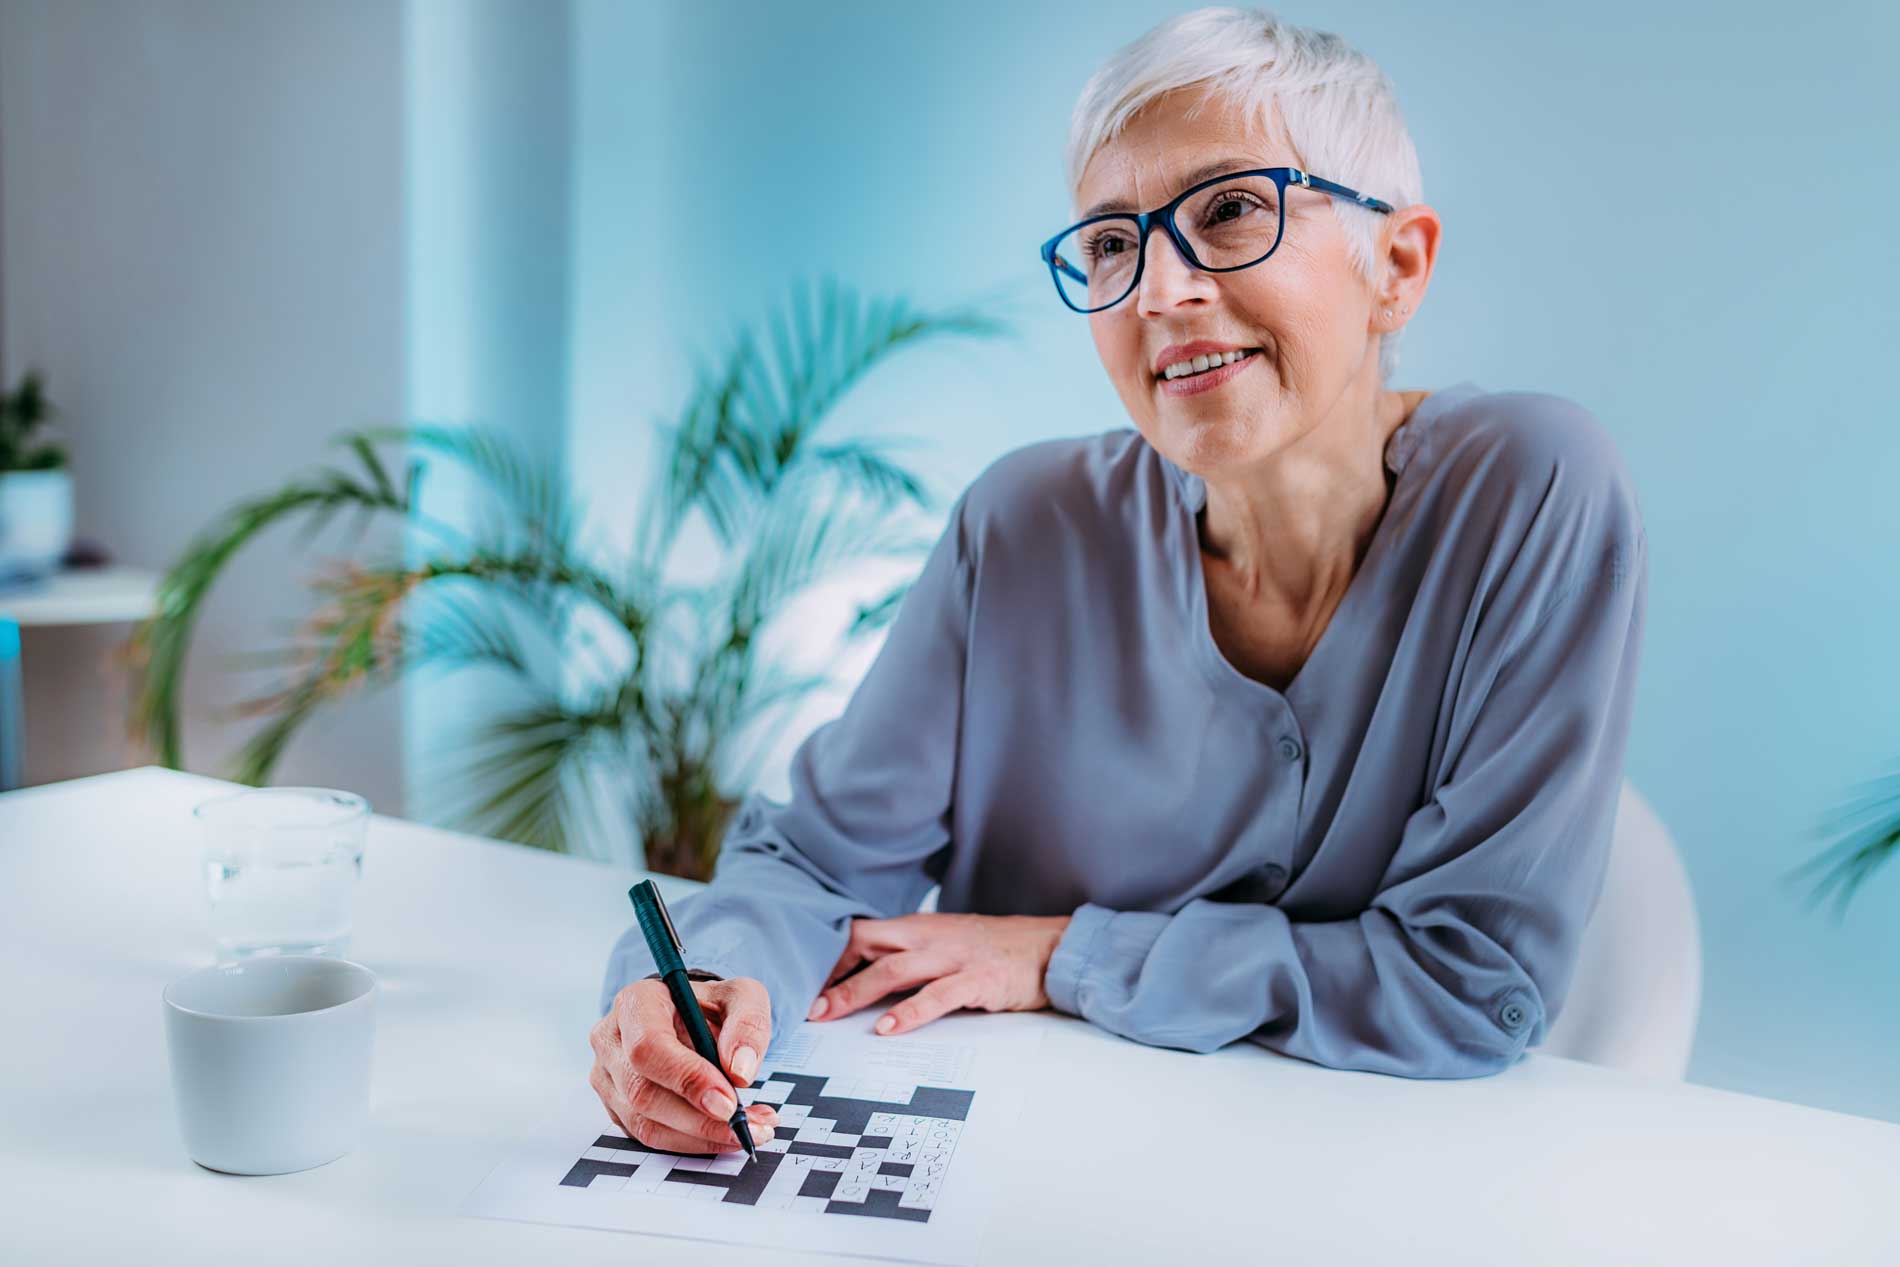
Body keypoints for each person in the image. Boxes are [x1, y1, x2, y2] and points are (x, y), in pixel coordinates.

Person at [589, 5, 1648, 1156]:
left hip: (1372, 1185)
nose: (1159, 288)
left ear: (1396, 265)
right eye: (1109, 243)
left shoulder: (1533, 487)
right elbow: (814, 862)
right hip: (1023, 1174)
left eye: (1230, 209)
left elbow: (1469, 981)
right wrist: (699, 981)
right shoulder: (1022, 524)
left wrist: (1063, 954)